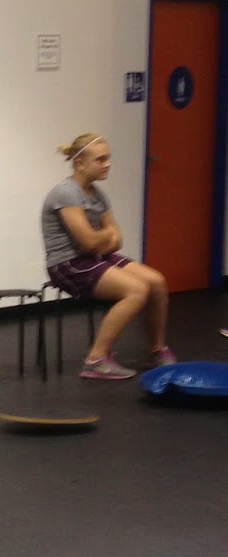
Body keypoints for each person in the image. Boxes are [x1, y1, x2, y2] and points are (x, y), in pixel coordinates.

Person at [41, 133, 175, 380]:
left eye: (108, 158)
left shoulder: (97, 194)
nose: (107, 164)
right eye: (100, 160)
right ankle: (95, 360)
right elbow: (89, 241)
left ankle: (157, 351)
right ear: (79, 163)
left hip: (93, 257)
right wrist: (103, 236)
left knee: (156, 282)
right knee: (136, 290)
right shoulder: (66, 193)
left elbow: (117, 239)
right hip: (67, 264)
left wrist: (100, 238)